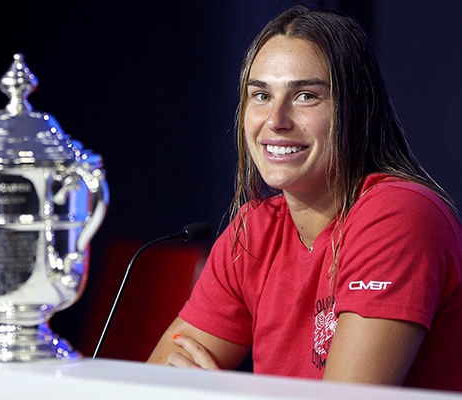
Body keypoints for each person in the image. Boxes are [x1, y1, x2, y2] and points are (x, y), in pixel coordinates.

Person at [147, 4, 462, 391]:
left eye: (306, 96)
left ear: (356, 111)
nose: (276, 119)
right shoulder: (253, 230)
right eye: (261, 94)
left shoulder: (398, 215)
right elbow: (156, 384)